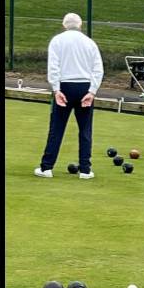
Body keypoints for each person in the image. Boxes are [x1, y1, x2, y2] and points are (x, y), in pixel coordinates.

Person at [34, 12, 104, 179]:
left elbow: (53, 67)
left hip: (64, 86)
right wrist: (92, 91)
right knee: (85, 129)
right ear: (80, 25)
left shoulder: (57, 41)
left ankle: (46, 168)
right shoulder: (90, 43)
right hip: (84, 87)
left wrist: (56, 90)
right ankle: (85, 169)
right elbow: (98, 69)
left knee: (56, 128)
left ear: (64, 25)